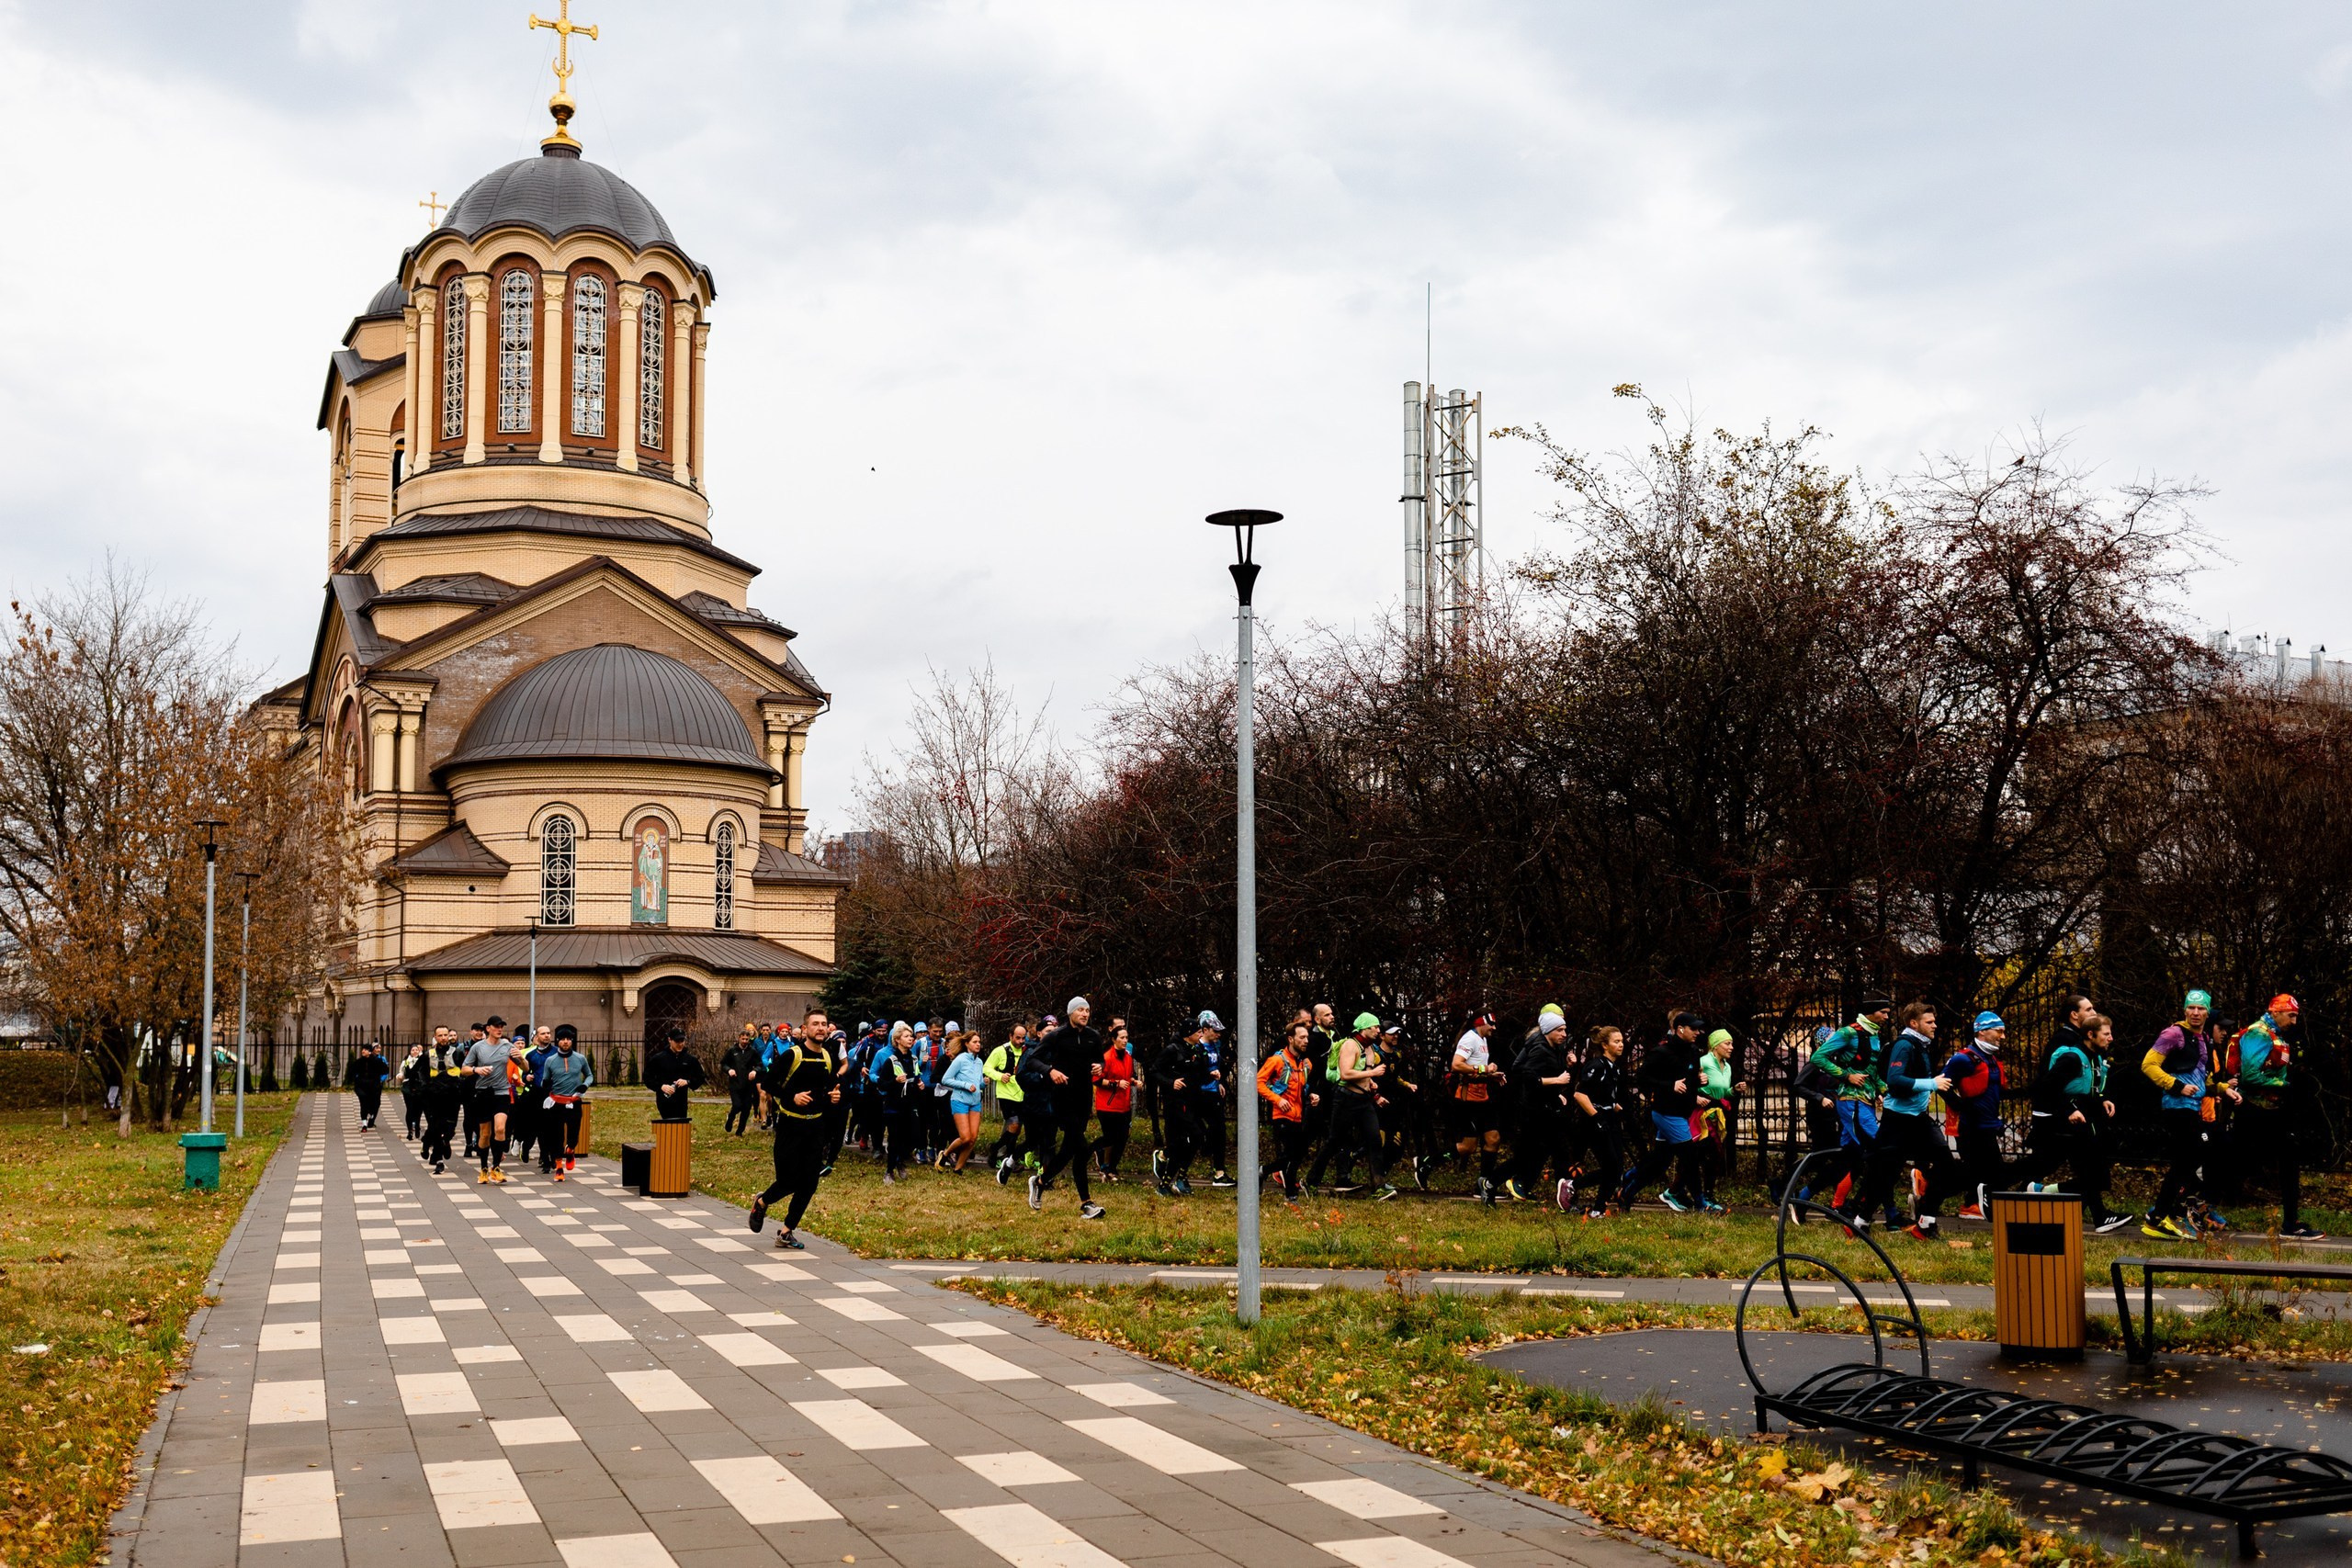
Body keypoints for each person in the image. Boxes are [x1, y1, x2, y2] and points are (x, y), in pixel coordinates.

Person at [2018, 1007, 2134, 1234]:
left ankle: (2079, 1211)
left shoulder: (2096, 1057)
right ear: (2091, 1035)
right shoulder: (2072, 1057)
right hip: (2072, 1125)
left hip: (2089, 1120)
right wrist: (2068, 1109)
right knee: (2093, 1174)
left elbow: (2090, 1086)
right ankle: (2094, 1215)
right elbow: (2045, 1088)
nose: (2111, 1038)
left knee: (2093, 1174)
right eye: (2106, 1034)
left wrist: (2103, 1099)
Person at [1860, 1003, 1965, 1239]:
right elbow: (1895, 1080)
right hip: (1897, 1120)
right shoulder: (1905, 1045)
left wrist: (1930, 1091)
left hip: (1917, 1119)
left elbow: (1916, 1079)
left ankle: (1925, 1222)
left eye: (1934, 1021)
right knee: (1885, 1172)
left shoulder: (1920, 1045)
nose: (1935, 1025)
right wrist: (1931, 1084)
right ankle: (1860, 1222)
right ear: (1914, 1023)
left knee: (1947, 1168)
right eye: (1929, 1022)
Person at [2233, 995, 2321, 1240]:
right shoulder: (2259, 1034)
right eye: (2291, 1015)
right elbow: (2250, 1076)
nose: (2294, 1021)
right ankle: (2184, 1207)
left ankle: (2291, 1223)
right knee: (2237, 1163)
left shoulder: (2274, 1034)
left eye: (2296, 1016)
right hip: (2255, 1110)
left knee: (2289, 1162)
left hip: (2272, 1110)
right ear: (2276, 1012)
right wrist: (2286, 1084)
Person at [749, 1019, 842, 1249]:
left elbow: (828, 1088)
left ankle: (786, 1232)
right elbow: (768, 1083)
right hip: (790, 1126)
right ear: (806, 1029)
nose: (820, 1028)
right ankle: (762, 1202)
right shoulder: (793, 1055)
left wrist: (833, 1096)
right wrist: (792, 1096)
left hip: (815, 1127)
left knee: (809, 1183)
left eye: (824, 1024)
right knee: (788, 1181)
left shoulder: (828, 1057)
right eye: (815, 1024)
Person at [2141, 990, 2227, 1239]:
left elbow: (2202, 1080)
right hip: (2176, 1106)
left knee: (2188, 1161)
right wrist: (2176, 1085)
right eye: (2191, 1008)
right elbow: (2148, 1065)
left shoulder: (2204, 1038)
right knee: (2190, 1159)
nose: (2195, 1013)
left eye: (2200, 1009)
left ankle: (2162, 1215)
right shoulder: (2173, 1034)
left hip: (2193, 1108)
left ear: (2208, 1012)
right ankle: (2162, 1216)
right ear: (2185, 1010)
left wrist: (2223, 1089)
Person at [1802, 998, 1892, 1223]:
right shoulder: (1848, 1033)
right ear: (1871, 1012)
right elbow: (1818, 1057)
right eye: (1883, 1012)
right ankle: (1889, 1215)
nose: (1887, 1017)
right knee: (1881, 1154)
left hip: (1866, 1102)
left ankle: (1808, 1200)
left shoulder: (1874, 1035)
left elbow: (1873, 1070)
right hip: (1851, 1102)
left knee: (1851, 1161)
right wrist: (1846, 1076)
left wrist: (1882, 1090)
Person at [1022, 998, 1107, 1218]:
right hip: (1062, 1099)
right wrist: (1050, 1071)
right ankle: (1087, 1203)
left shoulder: (1093, 1036)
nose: (1085, 1014)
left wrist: (1100, 1067)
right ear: (1070, 1013)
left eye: (1087, 1010)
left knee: (1070, 1149)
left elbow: (1100, 1060)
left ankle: (1040, 1182)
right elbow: (1032, 1061)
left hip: (1083, 1100)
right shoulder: (1056, 1036)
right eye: (1080, 1010)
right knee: (1082, 1148)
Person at [1617, 1012, 1708, 1214]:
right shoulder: (1661, 1052)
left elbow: (1689, 1080)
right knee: (1690, 1159)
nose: (1698, 1032)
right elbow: (1642, 1078)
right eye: (1693, 1029)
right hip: (1667, 1113)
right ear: (1680, 1029)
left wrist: (1700, 1081)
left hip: (1682, 1112)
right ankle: (1702, 1204)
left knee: (1659, 1163)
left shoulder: (1693, 1051)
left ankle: (1627, 1192)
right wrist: (1669, 1086)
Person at [1306, 1012, 1399, 1200]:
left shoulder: (1369, 1048)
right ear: (1364, 1028)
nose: (1378, 1030)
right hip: (1345, 1100)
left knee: (1374, 1140)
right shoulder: (1350, 1045)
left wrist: (1371, 1084)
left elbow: (1364, 1073)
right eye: (1374, 1027)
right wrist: (1372, 1074)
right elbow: (1346, 1074)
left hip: (1364, 1101)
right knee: (1334, 1142)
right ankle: (1311, 1181)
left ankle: (1379, 1186)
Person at [1502, 1010, 1577, 1203]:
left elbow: (1552, 1071)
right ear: (1548, 1029)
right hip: (1534, 1108)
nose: (1564, 1034)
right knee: (1533, 1151)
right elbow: (1528, 1076)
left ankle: (1524, 1185)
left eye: (1565, 1029)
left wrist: (1567, 1066)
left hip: (1547, 1104)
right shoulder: (1540, 1048)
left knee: (1548, 1150)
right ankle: (1493, 1181)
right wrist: (1556, 1081)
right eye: (1560, 1030)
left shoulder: (1555, 1047)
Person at [1942, 1012, 2010, 1218]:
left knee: (1982, 1172)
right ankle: (1969, 1204)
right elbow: (1941, 1083)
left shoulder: (1990, 1058)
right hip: (1971, 1126)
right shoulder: (1964, 1059)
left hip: (1988, 1124)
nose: (2003, 1036)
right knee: (1987, 1172)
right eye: (1999, 1031)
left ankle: (1969, 1203)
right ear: (1982, 1031)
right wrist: (1960, 1105)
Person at [1150, 1014, 1220, 1196]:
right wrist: (1170, 1083)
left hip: (1193, 1102)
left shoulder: (1197, 1050)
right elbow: (1154, 1071)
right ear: (1188, 1034)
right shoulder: (1172, 1050)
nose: (1201, 1035)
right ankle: (1165, 1181)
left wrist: (1211, 1075)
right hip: (1176, 1104)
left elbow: (1198, 1074)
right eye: (1198, 1032)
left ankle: (1179, 1177)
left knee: (1198, 1138)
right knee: (1182, 1142)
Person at [1569, 1025, 1629, 1218]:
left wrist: (1616, 1108)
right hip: (1594, 1122)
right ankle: (1572, 1185)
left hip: (1610, 1120)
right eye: (1616, 1041)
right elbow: (1580, 1095)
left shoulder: (1614, 1068)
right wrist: (1596, 1117)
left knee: (1616, 1168)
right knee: (1611, 1165)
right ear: (1605, 1045)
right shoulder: (1596, 1066)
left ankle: (1598, 1209)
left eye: (1622, 1041)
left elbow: (1606, 1095)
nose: (1621, 1045)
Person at [1450, 1012, 1508, 1202]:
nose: (1494, 1028)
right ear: (1481, 1023)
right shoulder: (1470, 1038)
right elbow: (1456, 1065)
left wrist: (1492, 1075)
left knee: (1493, 1139)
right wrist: (1484, 1069)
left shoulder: (1482, 1039)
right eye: (1492, 1024)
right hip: (1468, 1099)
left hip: (1483, 1097)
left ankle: (1485, 1184)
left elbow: (1478, 1068)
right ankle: (1429, 1162)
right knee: (1468, 1147)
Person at [1257, 1021, 1318, 1201]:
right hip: (1281, 1115)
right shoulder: (1277, 1060)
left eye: (1307, 1037)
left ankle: (1264, 1172)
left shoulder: (1306, 1064)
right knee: (1292, 1154)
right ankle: (1291, 1195)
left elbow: (1301, 1087)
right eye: (1302, 1037)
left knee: (1295, 1155)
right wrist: (1277, 1100)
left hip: (1298, 1115)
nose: (1306, 1041)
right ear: (1291, 1039)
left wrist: (1311, 1095)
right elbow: (1258, 1082)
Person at [1691, 1029, 1745, 1213]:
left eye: (1732, 1044)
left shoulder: (1727, 1067)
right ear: (1715, 1046)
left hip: (1718, 1114)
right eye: (1727, 1043)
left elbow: (1723, 1093)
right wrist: (1696, 1096)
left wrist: (1734, 1090)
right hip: (1701, 1114)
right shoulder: (1703, 1062)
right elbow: (1689, 1083)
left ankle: (1706, 1195)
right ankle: (1689, 1194)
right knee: (1703, 1154)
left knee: (1713, 1156)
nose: (1731, 1047)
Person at [462, 1018, 518, 1183]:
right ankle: (483, 1169)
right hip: (483, 1094)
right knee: (485, 1134)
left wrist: (521, 1060)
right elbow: (464, 1070)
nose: (499, 1029)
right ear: (488, 1028)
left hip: (502, 1093)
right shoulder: (478, 1047)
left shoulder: (507, 1046)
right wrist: (476, 1069)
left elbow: (525, 1067)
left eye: (501, 1027)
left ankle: (496, 1168)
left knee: (500, 1129)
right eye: (496, 1026)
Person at [536, 1026, 594, 1179]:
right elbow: (545, 1080)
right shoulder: (550, 1060)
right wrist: (545, 1085)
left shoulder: (580, 1058)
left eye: (568, 1039)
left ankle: (570, 1150)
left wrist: (585, 1085)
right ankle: (559, 1167)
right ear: (558, 1041)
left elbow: (589, 1075)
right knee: (557, 1136)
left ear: (572, 1041)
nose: (566, 1042)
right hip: (557, 1103)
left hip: (574, 1102)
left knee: (574, 1135)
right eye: (562, 1039)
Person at [869, 1022, 922, 1180]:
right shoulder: (890, 1060)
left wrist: (919, 1084)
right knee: (894, 1139)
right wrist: (895, 1081)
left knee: (911, 1137)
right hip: (893, 1105)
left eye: (911, 1036)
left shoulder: (914, 1059)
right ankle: (889, 1171)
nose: (910, 1039)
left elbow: (916, 1077)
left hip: (910, 1104)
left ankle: (900, 1161)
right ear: (897, 1040)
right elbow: (881, 1084)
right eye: (906, 1036)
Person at [986, 1024, 1032, 1179]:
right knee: (1014, 1123)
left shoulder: (1027, 1050)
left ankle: (999, 1150)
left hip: (1022, 1094)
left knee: (1015, 1130)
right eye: (1017, 1038)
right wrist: (1000, 1076)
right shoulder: (1000, 1051)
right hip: (1006, 1095)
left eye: (1023, 1038)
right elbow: (987, 1068)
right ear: (1010, 1036)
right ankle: (1007, 1156)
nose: (1020, 1041)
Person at [938, 1032, 988, 1172]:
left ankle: (958, 1168)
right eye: (974, 1042)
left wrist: (983, 1083)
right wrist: (965, 1085)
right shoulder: (960, 1059)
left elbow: (978, 1083)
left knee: (973, 1138)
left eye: (979, 1042)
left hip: (975, 1102)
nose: (978, 1044)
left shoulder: (979, 1062)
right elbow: (945, 1079)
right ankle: (945, 1154)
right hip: (960, 1100)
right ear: (966, 1044)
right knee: (965, 1137)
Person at [1093, 1023, 1137, 1179]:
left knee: (1123, 1136)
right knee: (1111, 1137)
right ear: (1114, 1039)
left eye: (1127, 1038)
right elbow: (1097, 1080)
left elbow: (1127, 1077)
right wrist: (1116, 1084)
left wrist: (1134, 1081)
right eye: (1122, 1038)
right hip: (1107, 1105)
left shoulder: (1128, 1057)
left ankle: (1112, 1168)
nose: (1125, 1041)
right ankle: (1097, 1152)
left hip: (1123, 1105)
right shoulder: (1107, 1057)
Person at [421, 1026, 466, 1174]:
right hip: (434, 1096)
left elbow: (464, 1070)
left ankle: (446, 1141)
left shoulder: (457, 1053)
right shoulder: (428, 1055)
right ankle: (439, 1161)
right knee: (436, 1127)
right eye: (440, 1035)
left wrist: (460, 1086)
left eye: (446, 1035)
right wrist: (427, 1087)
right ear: (435, 1037)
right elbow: (421, 1073)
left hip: (453, 1095)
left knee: (450, 1127)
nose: (444, 1038)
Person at [646, 1024, 705, 1122]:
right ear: (670, 1040)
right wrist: (661, 1086)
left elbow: (700, 1077)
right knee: (669, 1125)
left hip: (681, 1101)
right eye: (677, 1041)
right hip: (664, 1100)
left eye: (682, 1041)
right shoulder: (658, 1059)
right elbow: (647, 1077)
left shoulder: (690, 1059)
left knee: (681, 1125)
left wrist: (687, 1082)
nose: (680, 1044)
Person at [723, 1029, 761, 1137]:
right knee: (737, 1105)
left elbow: (759, 1064)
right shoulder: (732, 1051)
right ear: (739, 1038)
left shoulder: (752, 1051)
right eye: (743, 1039)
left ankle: (740, 1131)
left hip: (748, 1084)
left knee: (746, 1108)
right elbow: (723, 1064)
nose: (745, 1041)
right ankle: (730, 1118)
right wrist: (729, 1070)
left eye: (747, 1039)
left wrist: (755, 1071)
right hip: (735, 1083)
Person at [349, 1042, 390, 1130]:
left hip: (374, 1086)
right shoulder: (359, 1061)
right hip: (361, 1086)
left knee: (375, 1103)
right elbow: (352, 1071)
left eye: (365, 1049)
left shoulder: (377, 1061)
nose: (363, 1051)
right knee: (363, 1102)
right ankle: (364, 1124)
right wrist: (356, 1079)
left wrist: (379, 1079)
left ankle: (371, 1116)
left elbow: (385, 1070)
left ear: (370, 1052)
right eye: (362, 1049)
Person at [397, 1043, 427, 1139]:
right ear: (410, 1051)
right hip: (408, 1086)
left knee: (418, 1109)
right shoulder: (406, 1061)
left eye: (416, 1050)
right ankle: (410, 1130)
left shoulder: (423, 1060)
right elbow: (401, 1072)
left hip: (420, 1086)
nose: (415, 1051)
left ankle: (417, 1125)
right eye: (413, 1050)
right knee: (409, 1109)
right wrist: (400, 1076)